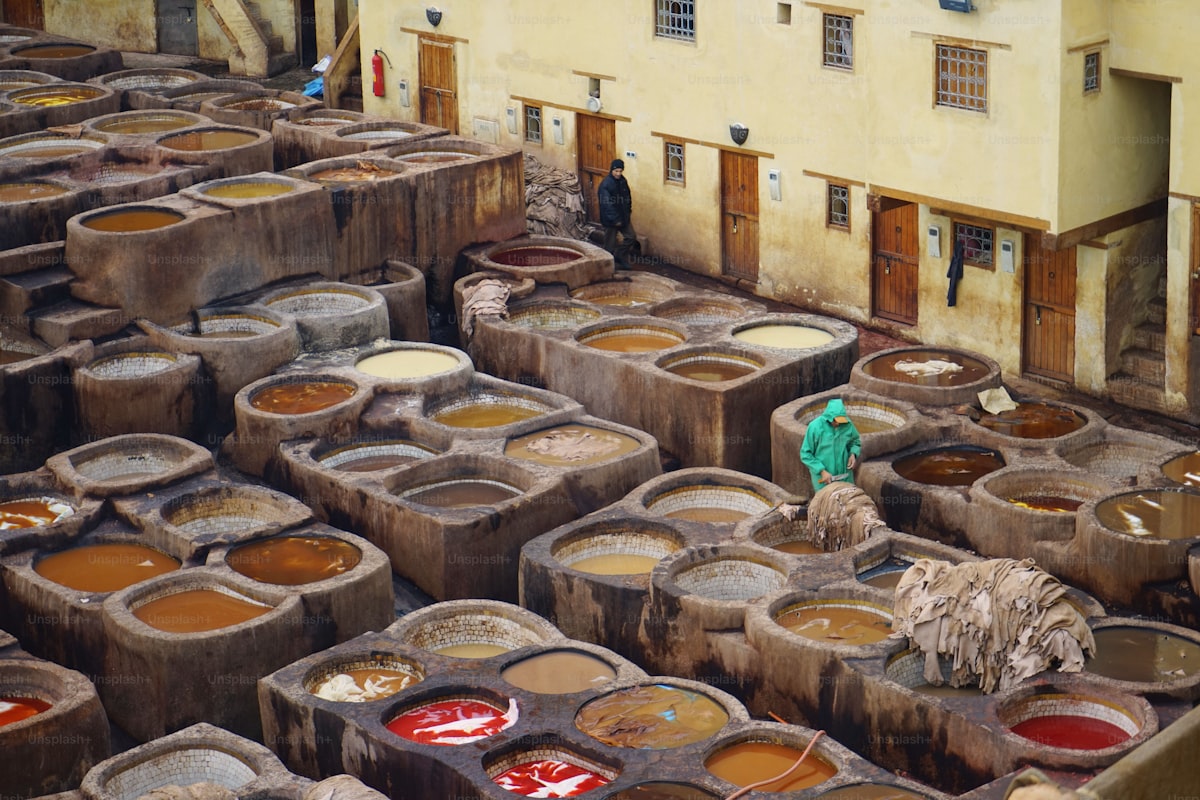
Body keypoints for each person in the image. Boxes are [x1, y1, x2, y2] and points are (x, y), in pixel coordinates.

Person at [799, 398, 862, 493]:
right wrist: (822, 471)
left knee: (847, 502)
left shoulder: (848, 425)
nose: (838, 423)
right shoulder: (815, 427)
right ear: (829, 418)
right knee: (827, 504)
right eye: (835, 421)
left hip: (845, 475)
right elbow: (806, 454)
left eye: (841, 421)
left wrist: (853, 454)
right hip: (824, 478)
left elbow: (855, 441)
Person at [597, 158, 636, 270]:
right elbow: (606, 204)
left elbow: (628, 197)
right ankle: (605, 266)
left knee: (631, 237)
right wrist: (615, 220)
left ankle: (619, 255)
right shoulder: (606, 184)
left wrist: (628, 211)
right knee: (609, 245)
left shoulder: (623, 181)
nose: (618, 173)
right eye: (616, 171)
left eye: (620, 171)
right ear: (611, 171)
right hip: (610, 221)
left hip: (624, 217)